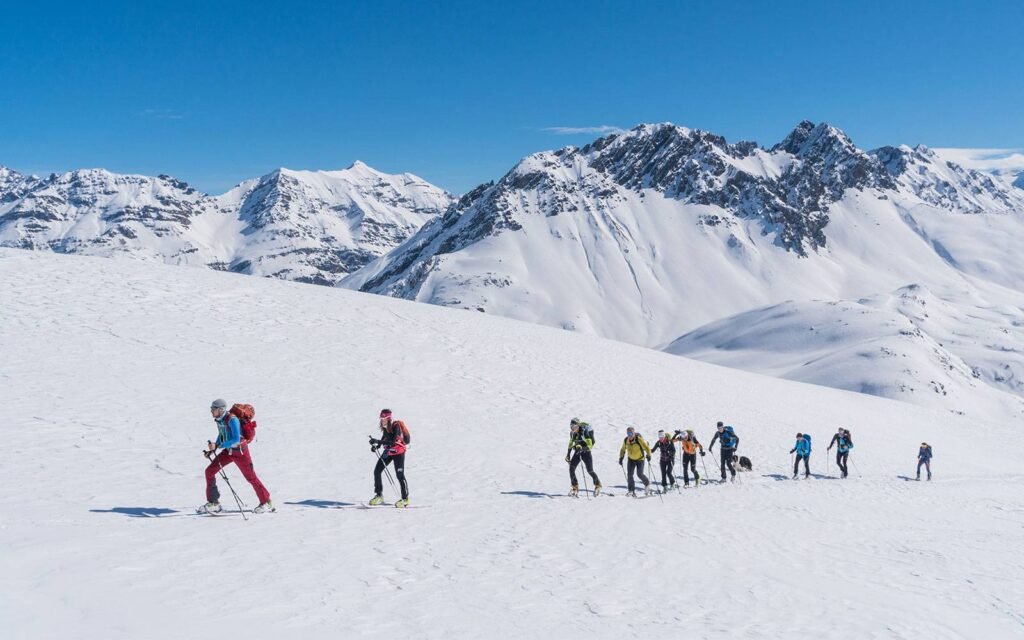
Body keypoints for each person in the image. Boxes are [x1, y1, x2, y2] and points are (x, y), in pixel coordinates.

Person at [198, 399, 273, 514]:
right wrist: (214, 448)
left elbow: (236, 439)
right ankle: (214, 503)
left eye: (213, 409)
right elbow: (222, 434)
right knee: (209, 471)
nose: (211, 411)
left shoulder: (232, 419)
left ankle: (266, 502)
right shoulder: (220, 420)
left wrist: (219, 445)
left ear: (220, 409)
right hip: (228, 452)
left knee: (251, 477)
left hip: (240, 453)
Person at [369, 408, 411, 507]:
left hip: (399, 452)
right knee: (377, 471)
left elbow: (392, 441)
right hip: (389, 451)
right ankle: (379, 495)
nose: (381, 420)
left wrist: (378, 442)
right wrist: (377, 446)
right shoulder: (385, 427)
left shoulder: (396, 425)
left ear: (388, 418)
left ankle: (405, 499)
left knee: (400, 475)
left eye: (383, 418)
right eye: (381, 418)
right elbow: (385, 438)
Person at [565, 418, 602, 496]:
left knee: (590, 470)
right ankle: (575, 487)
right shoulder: (572, 433)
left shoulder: (584, 432)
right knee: (571, 468)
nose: (572, 428)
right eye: (571, 426)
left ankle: (598, 485)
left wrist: (583, 448)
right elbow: (571, 443)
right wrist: (568, 454)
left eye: (574, 426)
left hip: (586, 452)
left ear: (578, 426)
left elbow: (590, 444)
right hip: (578, 451)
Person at [618, 427, 652, 497]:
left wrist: (649, 455)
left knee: (639, 474)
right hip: (631, 459)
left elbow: (647, 448)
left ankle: (647, 483)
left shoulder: (638, 439)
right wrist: (621, 457)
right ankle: (631, 490)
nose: (629, 435)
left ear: (634, 433)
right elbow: (622, 449)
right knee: (630, 475)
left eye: (631, 433)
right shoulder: (626, 440)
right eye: (628, 433)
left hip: (640, 459)